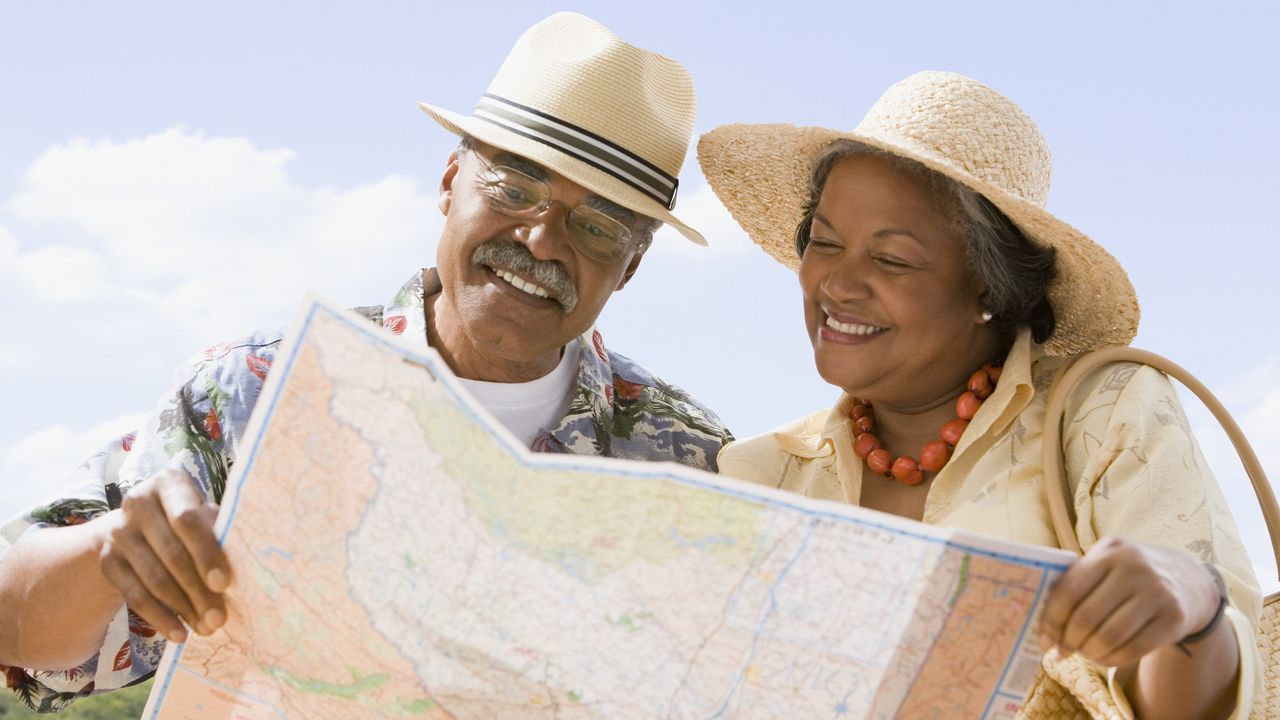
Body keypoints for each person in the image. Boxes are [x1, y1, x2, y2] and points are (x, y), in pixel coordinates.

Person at [0, 13, 731, 712]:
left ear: (630, 267)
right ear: (450, 182)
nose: (542, 240)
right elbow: (21, 643)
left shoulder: (696, 466)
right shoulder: (254, 390)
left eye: (598, 226)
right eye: (514, 189)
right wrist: (108, 551)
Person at [698, 71, 1261, 719]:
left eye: (893, 259)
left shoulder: (1102, 413)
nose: (838, 284)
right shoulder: (759, 477)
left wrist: (1193, 606)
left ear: (988, 290)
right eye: (824, 243)